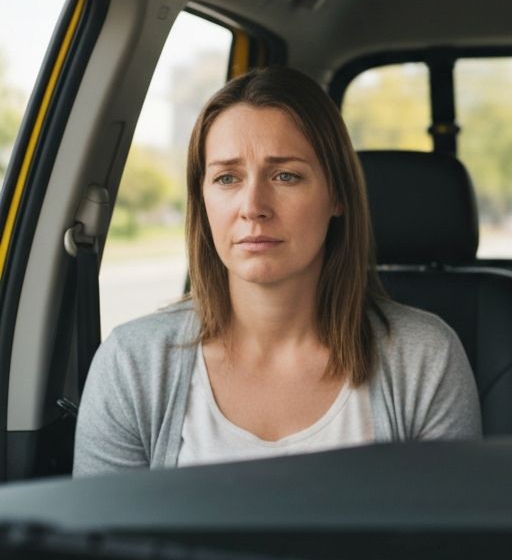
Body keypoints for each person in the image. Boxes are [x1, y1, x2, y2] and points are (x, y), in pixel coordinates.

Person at [74, 67, 480, 474]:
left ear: (337, 195)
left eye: (285, 176)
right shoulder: (131, 365)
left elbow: (448, 536)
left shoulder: (425, 358)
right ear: (203, 199)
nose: (253, 207)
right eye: (227, 178)